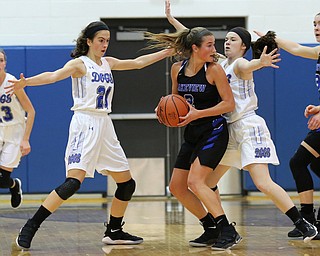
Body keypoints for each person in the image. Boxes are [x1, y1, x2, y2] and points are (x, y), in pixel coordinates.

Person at [6, 20, 173, 250]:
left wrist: (169, 51)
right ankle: (30, 227)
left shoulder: (108, 63)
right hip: (84, 123)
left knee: (127, 184)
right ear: (89, 41)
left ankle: (114, 231)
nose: (104, 45)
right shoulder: (80, 64)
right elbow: (54, 76)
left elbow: (137, 63)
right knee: (73, 183)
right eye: (100, 40)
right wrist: (27, 83)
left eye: (107, 41)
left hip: (105, 124)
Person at [164, 0, 318, 250]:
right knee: (206, 183)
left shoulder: (240, 64)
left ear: (244, 46)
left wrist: (261, 62)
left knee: (262, 182)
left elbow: (249, 65)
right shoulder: (220, 62)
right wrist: (173, 21)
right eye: (227, 39)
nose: (227, 42)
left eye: (233, 39)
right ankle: (221, 228)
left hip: (248, 127)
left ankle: (303, 223)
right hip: (229, 130)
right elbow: (195, 41)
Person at [255, 12, 320, 239]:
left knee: (298, 162)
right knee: (315, 166)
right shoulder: (319, 51)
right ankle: (312, 220)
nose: (317, 28)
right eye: (314, 24)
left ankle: (309, 220)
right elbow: (296, 48)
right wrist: (272, 38)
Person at [0, 48, 35, 209]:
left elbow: (31, 111)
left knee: (2, 180)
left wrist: (26, 139)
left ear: (5, 63)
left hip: (14, 132)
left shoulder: (12, 82)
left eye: (1, 60)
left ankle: (14, 186)